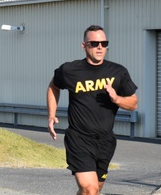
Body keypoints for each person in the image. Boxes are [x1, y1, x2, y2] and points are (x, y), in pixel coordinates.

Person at [46, 25, 138, 195]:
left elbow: (133, 104)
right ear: (84, 46)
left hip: (105, 141)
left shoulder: (118, 72)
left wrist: (116, 98)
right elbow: (54, 86)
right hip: (79, 138)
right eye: (94, 43)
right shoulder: (70, 70)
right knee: (90, 189)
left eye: (104, 43)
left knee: (93, 189)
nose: (100, 47)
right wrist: (52, 114)